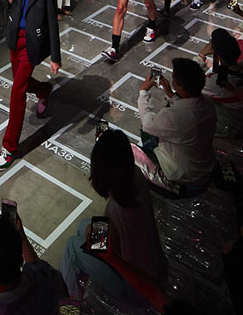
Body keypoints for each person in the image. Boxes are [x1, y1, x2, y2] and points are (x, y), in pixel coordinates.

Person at [60, 128, 167, 303]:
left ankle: (70, 309)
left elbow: (109, 252)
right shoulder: (136, 175)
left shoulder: (116, 209)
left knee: (72, 247)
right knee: (83, 226)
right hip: (157, 267)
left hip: (138, 288)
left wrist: (93, 236)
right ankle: (80, 281)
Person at [0, 0, 62, 172]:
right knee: (20, 84)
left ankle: (9, 147)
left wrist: (55, 57)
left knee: (16, 93)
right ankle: (44, 89)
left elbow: (53, 24)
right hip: (15, 38)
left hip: (32, 43)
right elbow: (6, 2)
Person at [136, 57, 217, 195]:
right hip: (204, 166)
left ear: (180, 85)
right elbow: (187, 106)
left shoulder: (173, 116)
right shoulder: (208, 103)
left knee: (131, 151)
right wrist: (170, 93)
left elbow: (148, 125)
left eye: (173, 79)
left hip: (183, 176)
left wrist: (143, 92)